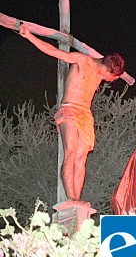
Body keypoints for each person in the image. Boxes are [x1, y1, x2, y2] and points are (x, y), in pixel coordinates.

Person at [18, 24, 125, 200]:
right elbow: (53, 52)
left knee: (82, 157)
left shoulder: (100, 73)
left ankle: (77, 199)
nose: (109, 81)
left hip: (85, 115)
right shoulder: (82, 61)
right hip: (69, 109)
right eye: (110, 77)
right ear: (107, 69)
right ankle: (71, 198)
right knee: (71, 153)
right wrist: (28, 35)